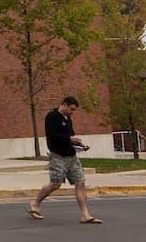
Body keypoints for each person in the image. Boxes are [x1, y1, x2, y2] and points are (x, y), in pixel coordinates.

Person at [27, 96, 101, 224]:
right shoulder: (52, 116)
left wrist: (80, 145)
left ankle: (85, 215)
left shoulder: (68, 119)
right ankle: (35, 203)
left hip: (71, 156)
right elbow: (52, 136)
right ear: (65, 104)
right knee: (55, 184)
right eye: (71, 109)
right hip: (58, 156)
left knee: (80, 182)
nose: (72, 112)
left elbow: (70, 136)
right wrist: (69, 139)